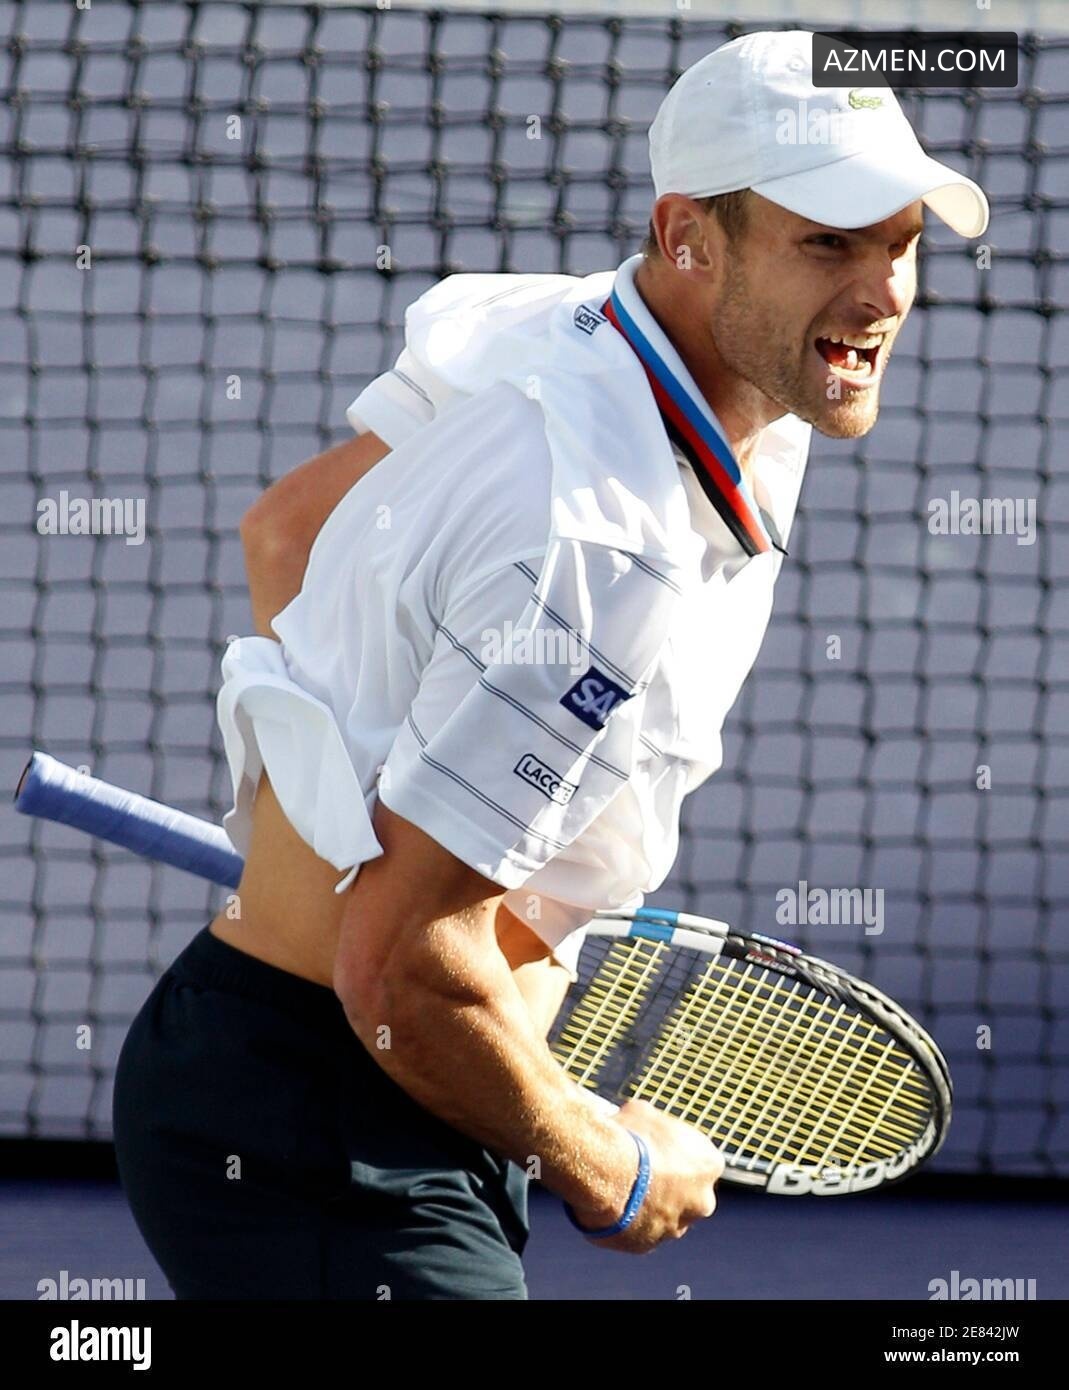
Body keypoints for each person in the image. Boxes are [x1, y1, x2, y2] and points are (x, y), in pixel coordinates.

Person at [112, 29, 988, 1300]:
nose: (881, 291)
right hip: (327, 1124)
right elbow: (400, 965)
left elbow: (291, 538)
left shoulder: (587, 338)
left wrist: (358, 820)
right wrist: (607, 1161)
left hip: (356, 1067)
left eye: (898, 242)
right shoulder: (599, 545)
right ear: (688, 236)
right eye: (826, 243)